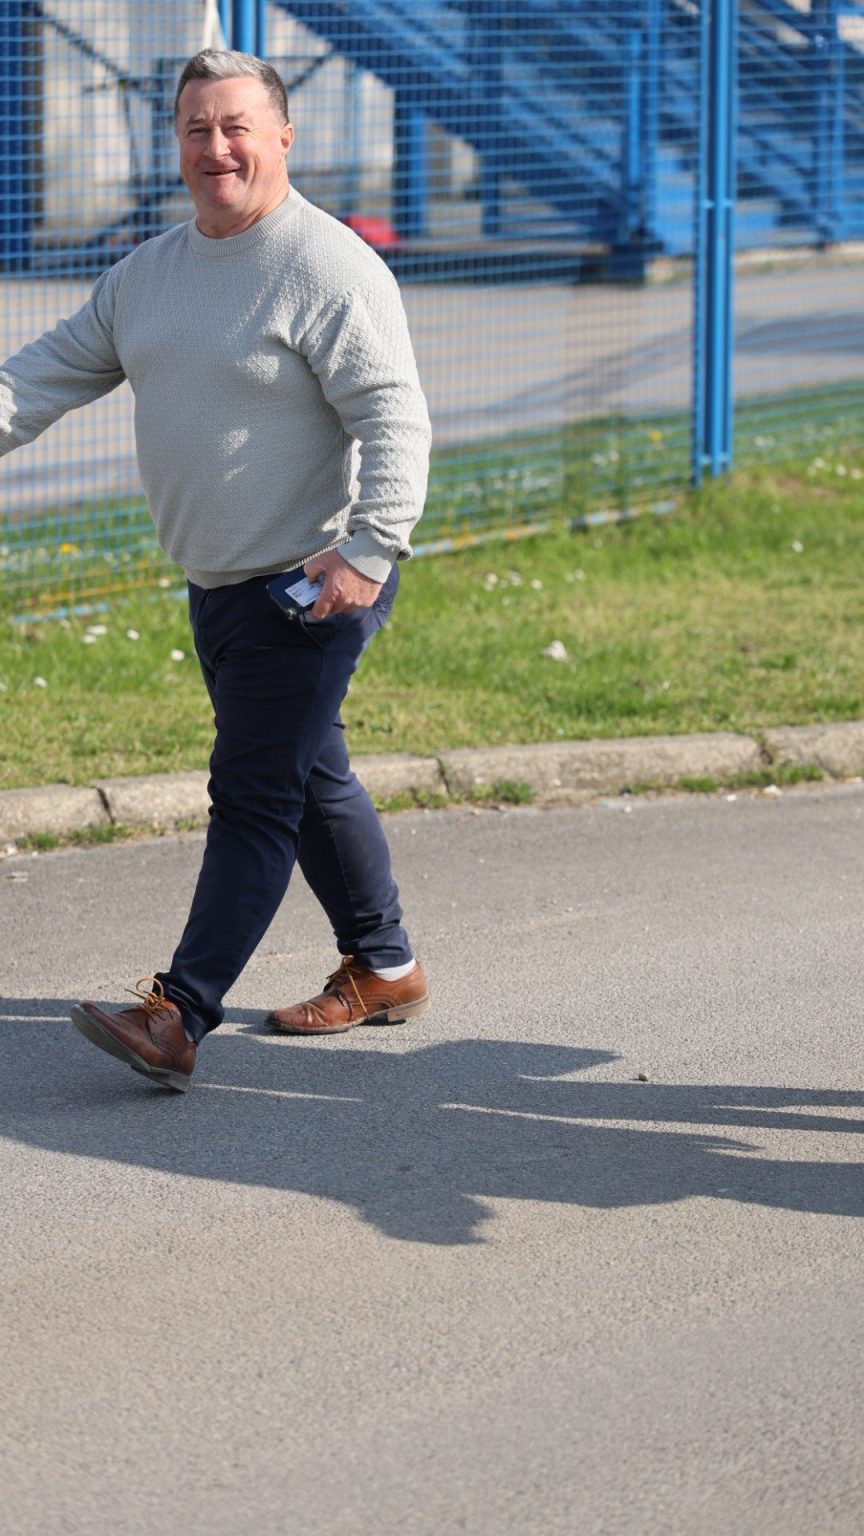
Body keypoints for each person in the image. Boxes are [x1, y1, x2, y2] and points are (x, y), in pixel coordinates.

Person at [0, 49, 432, 1092]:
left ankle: (180, 1012)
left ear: (283, 136)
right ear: (178, 144)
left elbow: (394, 415)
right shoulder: (149, 274)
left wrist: (371, 549)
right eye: (197, 128)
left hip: (310, 583)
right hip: (218, 583)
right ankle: (385, 966)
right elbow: (37, 379)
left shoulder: (327, 266)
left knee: (252, 793)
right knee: (308, 775)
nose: (217, 147)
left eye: (237, 126)